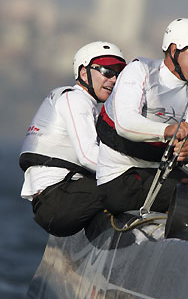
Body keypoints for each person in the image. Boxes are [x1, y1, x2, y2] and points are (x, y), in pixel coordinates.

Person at [96, 18, 188, 215]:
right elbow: (124, 123)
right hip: (121, 179)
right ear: (173, 49)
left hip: (160, 175)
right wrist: (168, 130)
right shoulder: (140, 70)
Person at [19, 41, 127, 237]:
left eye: (118, 75)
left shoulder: (87, 105)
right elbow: (88, 157)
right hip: (59, 202)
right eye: (107, 72)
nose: (113, 80)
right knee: (134, 187)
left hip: (55, 201)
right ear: (84, 73)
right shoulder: (76, 100)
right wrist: (134, 170)